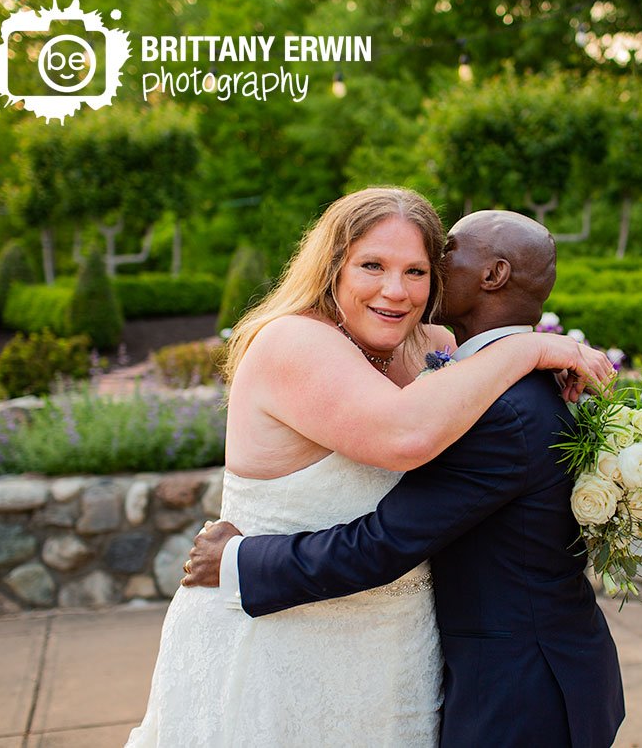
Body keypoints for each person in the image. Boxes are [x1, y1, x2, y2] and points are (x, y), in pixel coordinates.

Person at [126, 190, 614, 747]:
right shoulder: (293, 342)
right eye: (372, 266)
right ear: (333, 265)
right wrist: (528, 350)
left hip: (401, 652)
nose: (396, 290)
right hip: (281, 638)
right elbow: (404, 434)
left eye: (418, 270)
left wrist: (522, 357)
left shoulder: (433, 347)